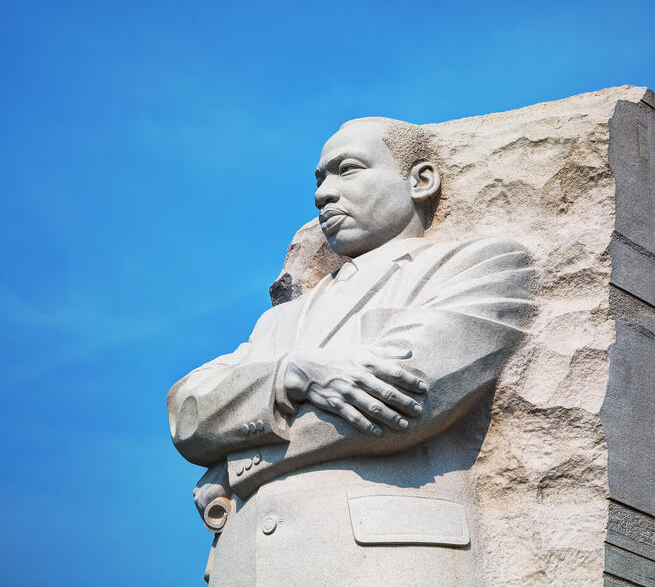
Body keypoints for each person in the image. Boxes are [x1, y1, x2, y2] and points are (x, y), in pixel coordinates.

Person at [167, 117, 535, 586]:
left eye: (348, 170)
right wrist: (289, 375)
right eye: (319, 180)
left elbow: (402, 401)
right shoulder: (279, 321)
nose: (323, 193)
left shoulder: (479, 266)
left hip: (384, 558)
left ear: (420, 181)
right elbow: (189, 410)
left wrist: (232, 461)